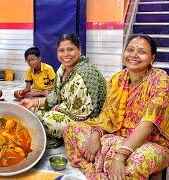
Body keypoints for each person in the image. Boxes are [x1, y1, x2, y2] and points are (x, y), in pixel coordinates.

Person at [63, 34, 169, 179]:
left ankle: (104, 162)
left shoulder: (160, 79)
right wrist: (96, 134)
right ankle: (104, 163)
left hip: (149, 143)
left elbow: (149, 124)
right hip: (116, 136)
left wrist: (120, 155)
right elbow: (107, 115)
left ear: (152, 58)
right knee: (71, 128)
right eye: (130, 50)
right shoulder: (117, 79)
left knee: (138, 160)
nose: (134, 55)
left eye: (142, 52)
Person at [20, 33, 107, 148]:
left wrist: (56, 108)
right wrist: (34, 102)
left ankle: (58, 137)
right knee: (32, 112)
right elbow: (56, 94)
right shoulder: (62, 69)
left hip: (86, 120)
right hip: (66, 110)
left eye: (70, 49)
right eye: (61, 50)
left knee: (45, 121)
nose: (65, 54)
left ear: (79, 50)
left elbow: (81, 113)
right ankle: (55, 136)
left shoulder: (85, 73)